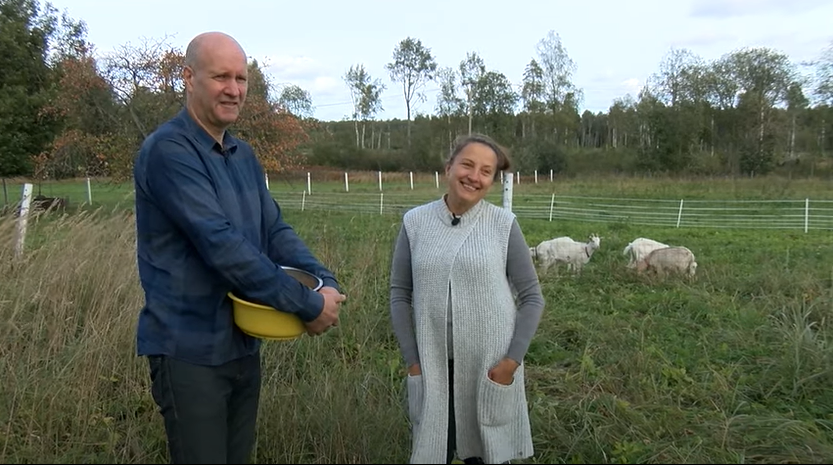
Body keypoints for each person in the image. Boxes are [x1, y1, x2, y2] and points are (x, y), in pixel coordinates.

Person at [132, 31, 347, 464]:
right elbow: (222, 246)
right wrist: (306, 304)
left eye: (241, 78)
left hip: (243, 346)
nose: (234, 89)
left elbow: (274, 232)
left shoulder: (241, 154)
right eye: (221, 77)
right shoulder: (169, 152)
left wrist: (325, 280)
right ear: (189, 78)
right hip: (190, 351)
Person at [389, 134, 545, 464]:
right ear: (449, 168)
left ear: (492, 181)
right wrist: (413, 361)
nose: (474, 177)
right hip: (433, 366)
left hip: (489, 367)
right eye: (468, 165)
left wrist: (510, 363)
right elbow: (400, 295)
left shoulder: (503, 225)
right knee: (433, 452)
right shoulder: (415, 223)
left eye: (486, 171)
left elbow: (532, 298)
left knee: (487, 454)